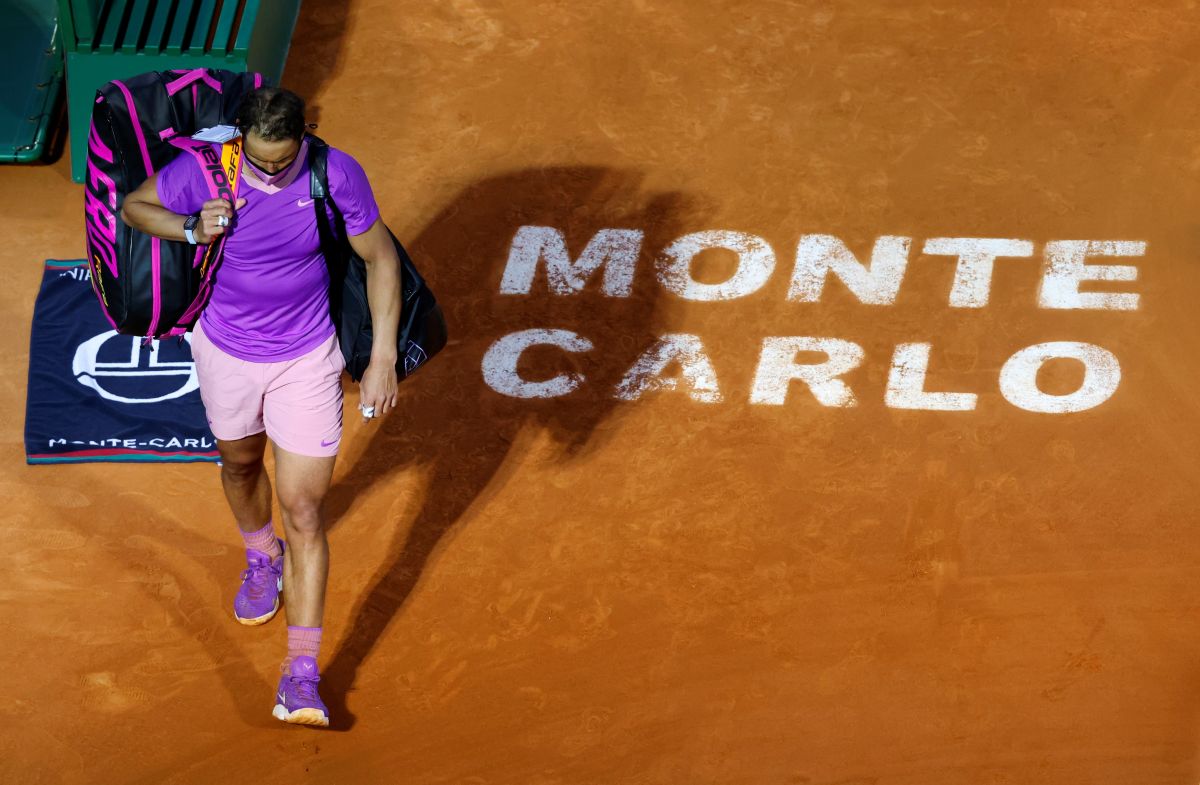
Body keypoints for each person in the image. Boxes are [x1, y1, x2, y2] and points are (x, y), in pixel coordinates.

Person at [120, 86, 402, 727]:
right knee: (242, 466)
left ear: (305, 133)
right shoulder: (206, 170)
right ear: (239, 137)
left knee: (304, 510)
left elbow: (381, 258)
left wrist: (382, 357)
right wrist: (191, 226)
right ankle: (259, 555)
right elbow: (136, 207)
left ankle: (301, 676)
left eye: (283, 159)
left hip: (308, 357)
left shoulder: (337, 173)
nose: (271, 171)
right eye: (259, 160)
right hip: (226, 352)